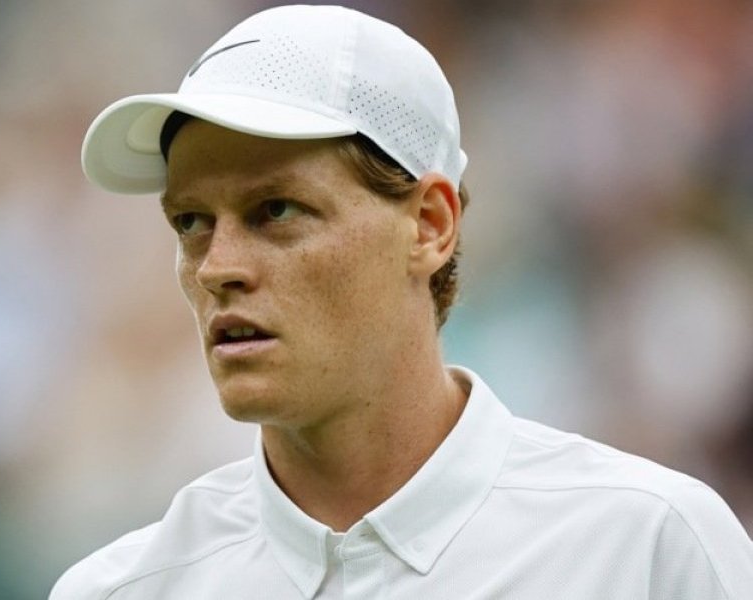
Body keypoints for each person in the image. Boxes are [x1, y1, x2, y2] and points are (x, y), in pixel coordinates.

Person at [53, 5, 753, 598]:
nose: (216, 267)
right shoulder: (118, 589)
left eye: (277, 210)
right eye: (191, 222)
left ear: (430, 225)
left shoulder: (648, 547)